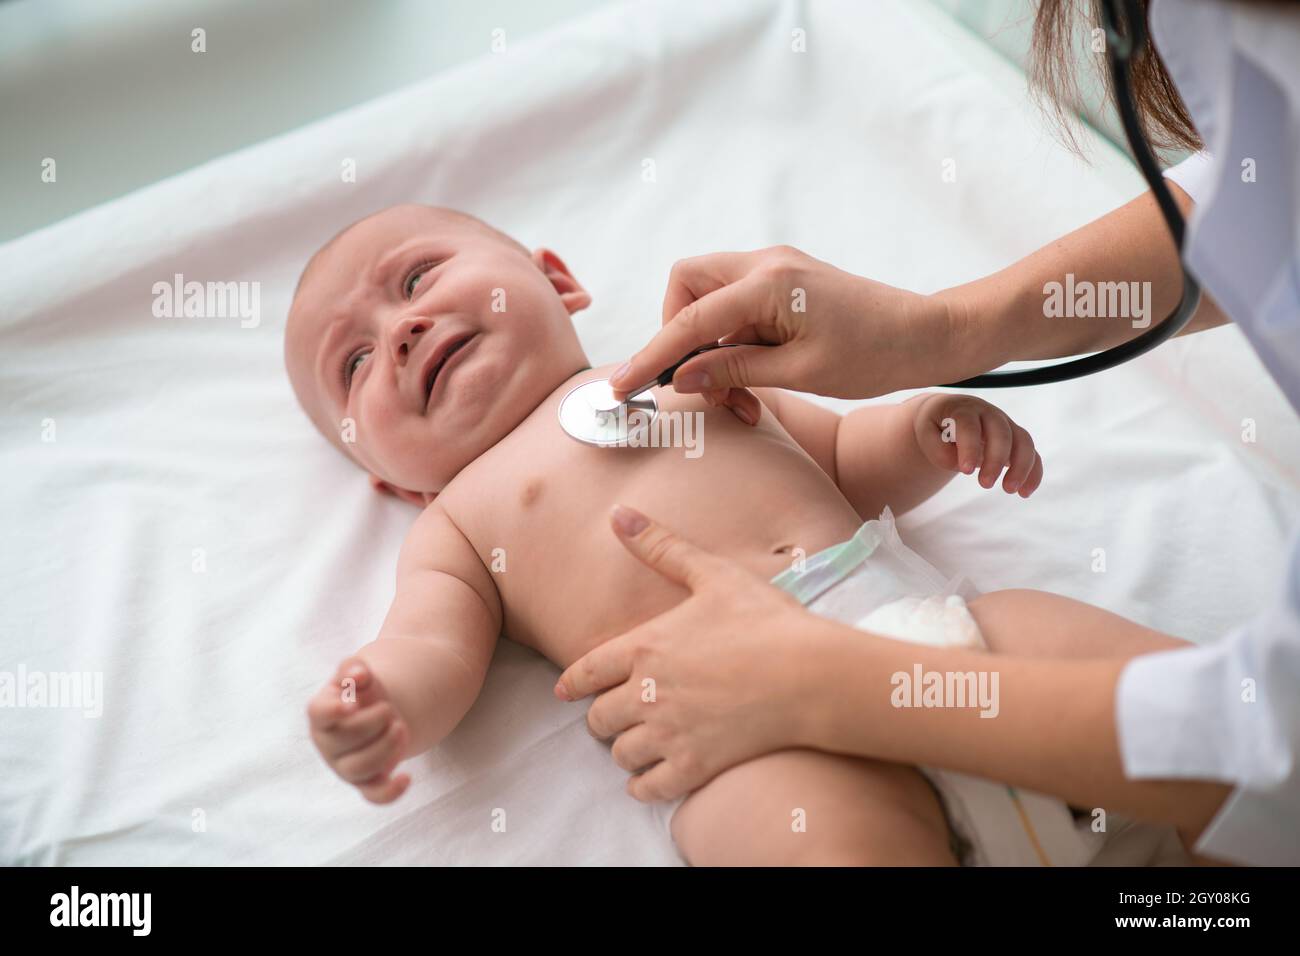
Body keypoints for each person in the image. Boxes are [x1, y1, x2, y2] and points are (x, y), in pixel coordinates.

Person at [555, 0, 1300, 865]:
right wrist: (941, 330)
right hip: (790, 748)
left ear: (552, 279)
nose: (408, 334)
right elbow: (1265, 186)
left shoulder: (710, 414)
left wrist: (820, 671)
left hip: (914, 636)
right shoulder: (463, 514)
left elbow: (1266, 746)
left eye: (421, 275)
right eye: (354, 360)